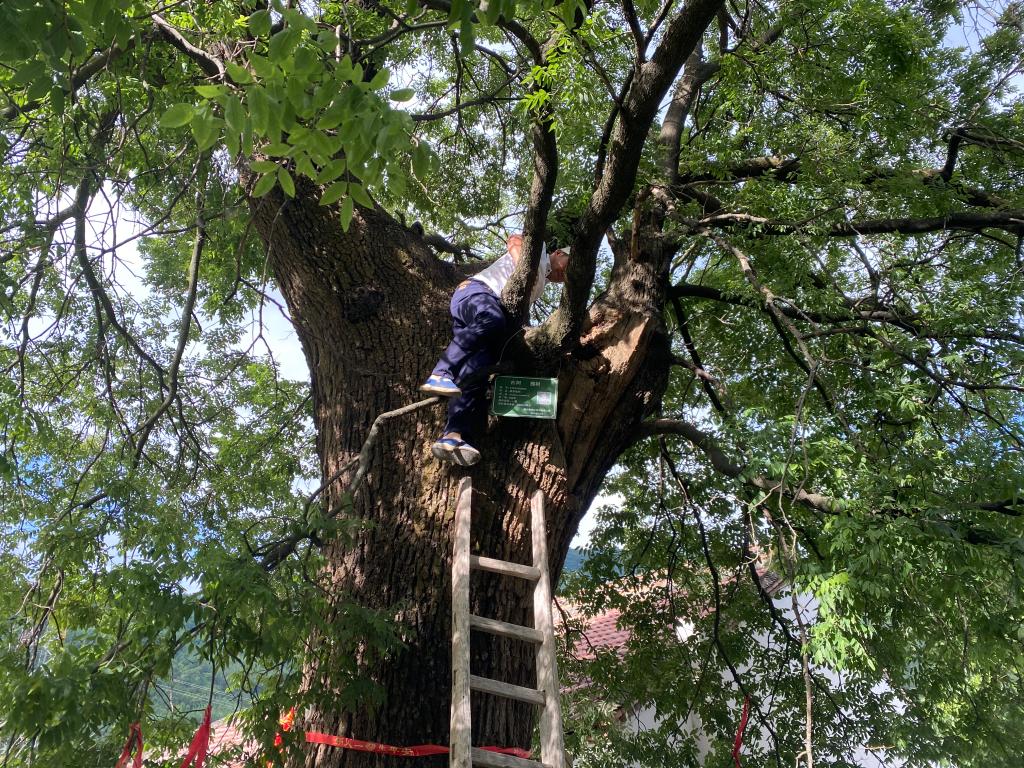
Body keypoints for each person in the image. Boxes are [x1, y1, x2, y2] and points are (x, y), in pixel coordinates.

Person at [420, 234, 570, 466]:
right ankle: (441, 373)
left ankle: (453, 435)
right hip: (476, 293)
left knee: (477, 368)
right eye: (569, 266)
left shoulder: (543, 283)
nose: (566, 275)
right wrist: (525, 271)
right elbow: (515, 240)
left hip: (486, 311)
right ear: (559, 253)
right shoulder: (539, 250)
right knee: (492, 319)